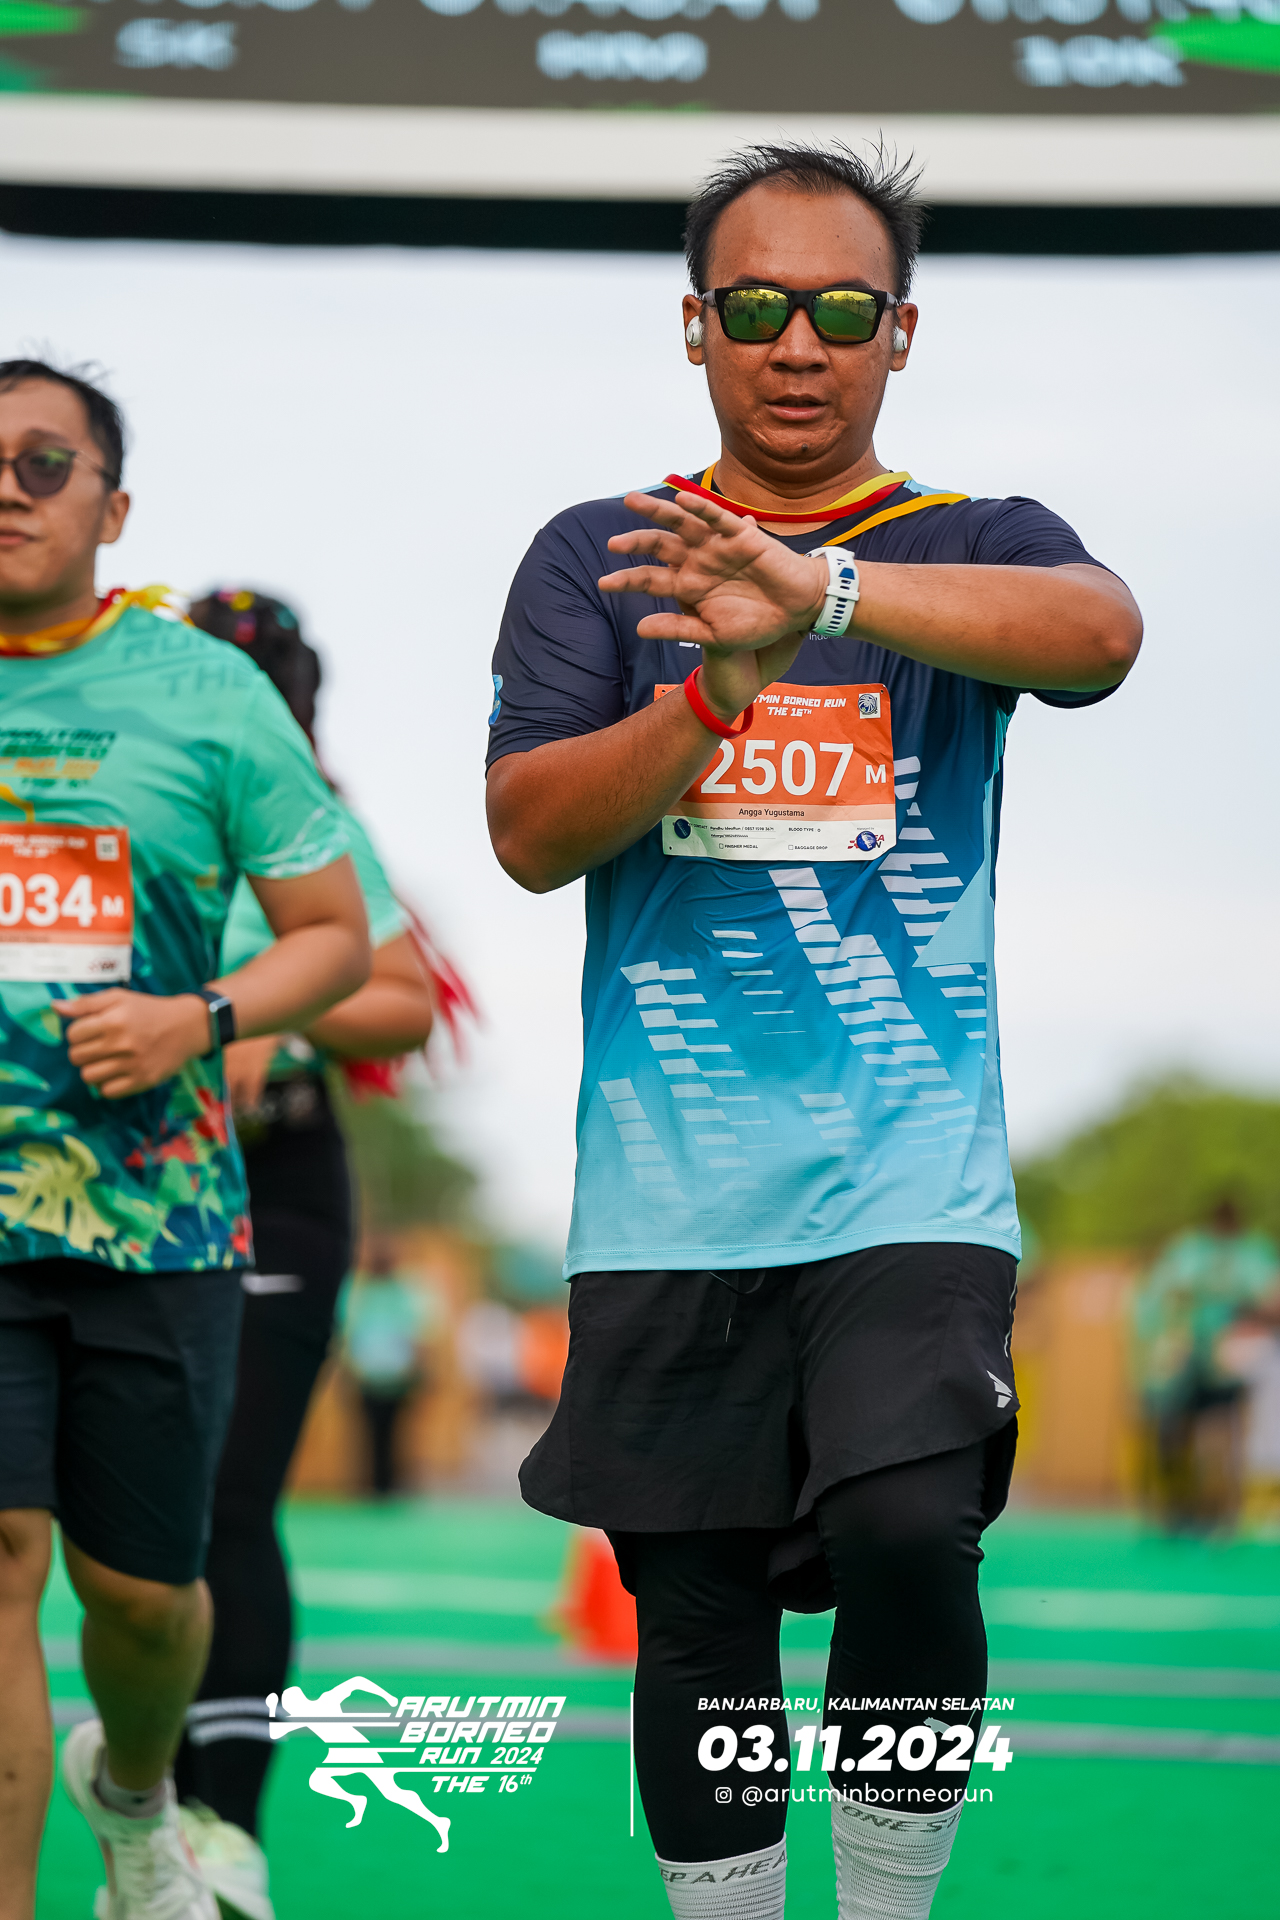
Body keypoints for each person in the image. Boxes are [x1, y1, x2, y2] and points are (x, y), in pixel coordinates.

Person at [485, 145, 1142, 1920]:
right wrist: (715, 688)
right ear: (696, 324)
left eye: (842, 308)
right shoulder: (598, 554)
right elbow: (531, 835)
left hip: (911, 1177)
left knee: (913, 1533)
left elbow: (1099, 635)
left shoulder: (978, 541)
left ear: (899, 333)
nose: (799, 343)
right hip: (670, 1195)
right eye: (759, 304)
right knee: (695, 1614)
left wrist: (823, 594)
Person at [0, 363, 371, 1920]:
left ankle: (140, 1794)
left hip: (157, 1218)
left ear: (113, 509)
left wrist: (196, 1021)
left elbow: (339, 938)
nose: (7, 485)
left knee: (145, 1596)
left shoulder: (208, 695)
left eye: (43, 462)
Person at [166, 590, 436, 1920]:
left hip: (273, 1179)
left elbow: (403, 1001)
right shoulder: (107, 791)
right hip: (108, 1180)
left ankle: (219, 1827)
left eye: (263, 678)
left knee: (226, 1503)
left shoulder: (312, 819)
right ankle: (139, 1808)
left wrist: (270, 1019)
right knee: (122, 1517)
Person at [1132, 1199, 1280, 1532]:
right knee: (1183, 1432)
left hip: (1219, 1355)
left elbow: (1270, 1301)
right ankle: (1186, 1510)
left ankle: (1211, 1510)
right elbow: (1164, 1297)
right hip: (1193, 1353)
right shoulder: (1197, 1250)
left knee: (1212, 1434)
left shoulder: (1244, 1251)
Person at [339, 1236, 436, 1496]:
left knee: (397, 1435)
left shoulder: (405, 1293)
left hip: (399, 1379)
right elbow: (347, 1335)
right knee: (370, 1436)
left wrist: (420, 1367)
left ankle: (394, 1487)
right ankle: (374, 1487)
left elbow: (419, 1334)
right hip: (367, 1379)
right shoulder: (358, 1294)